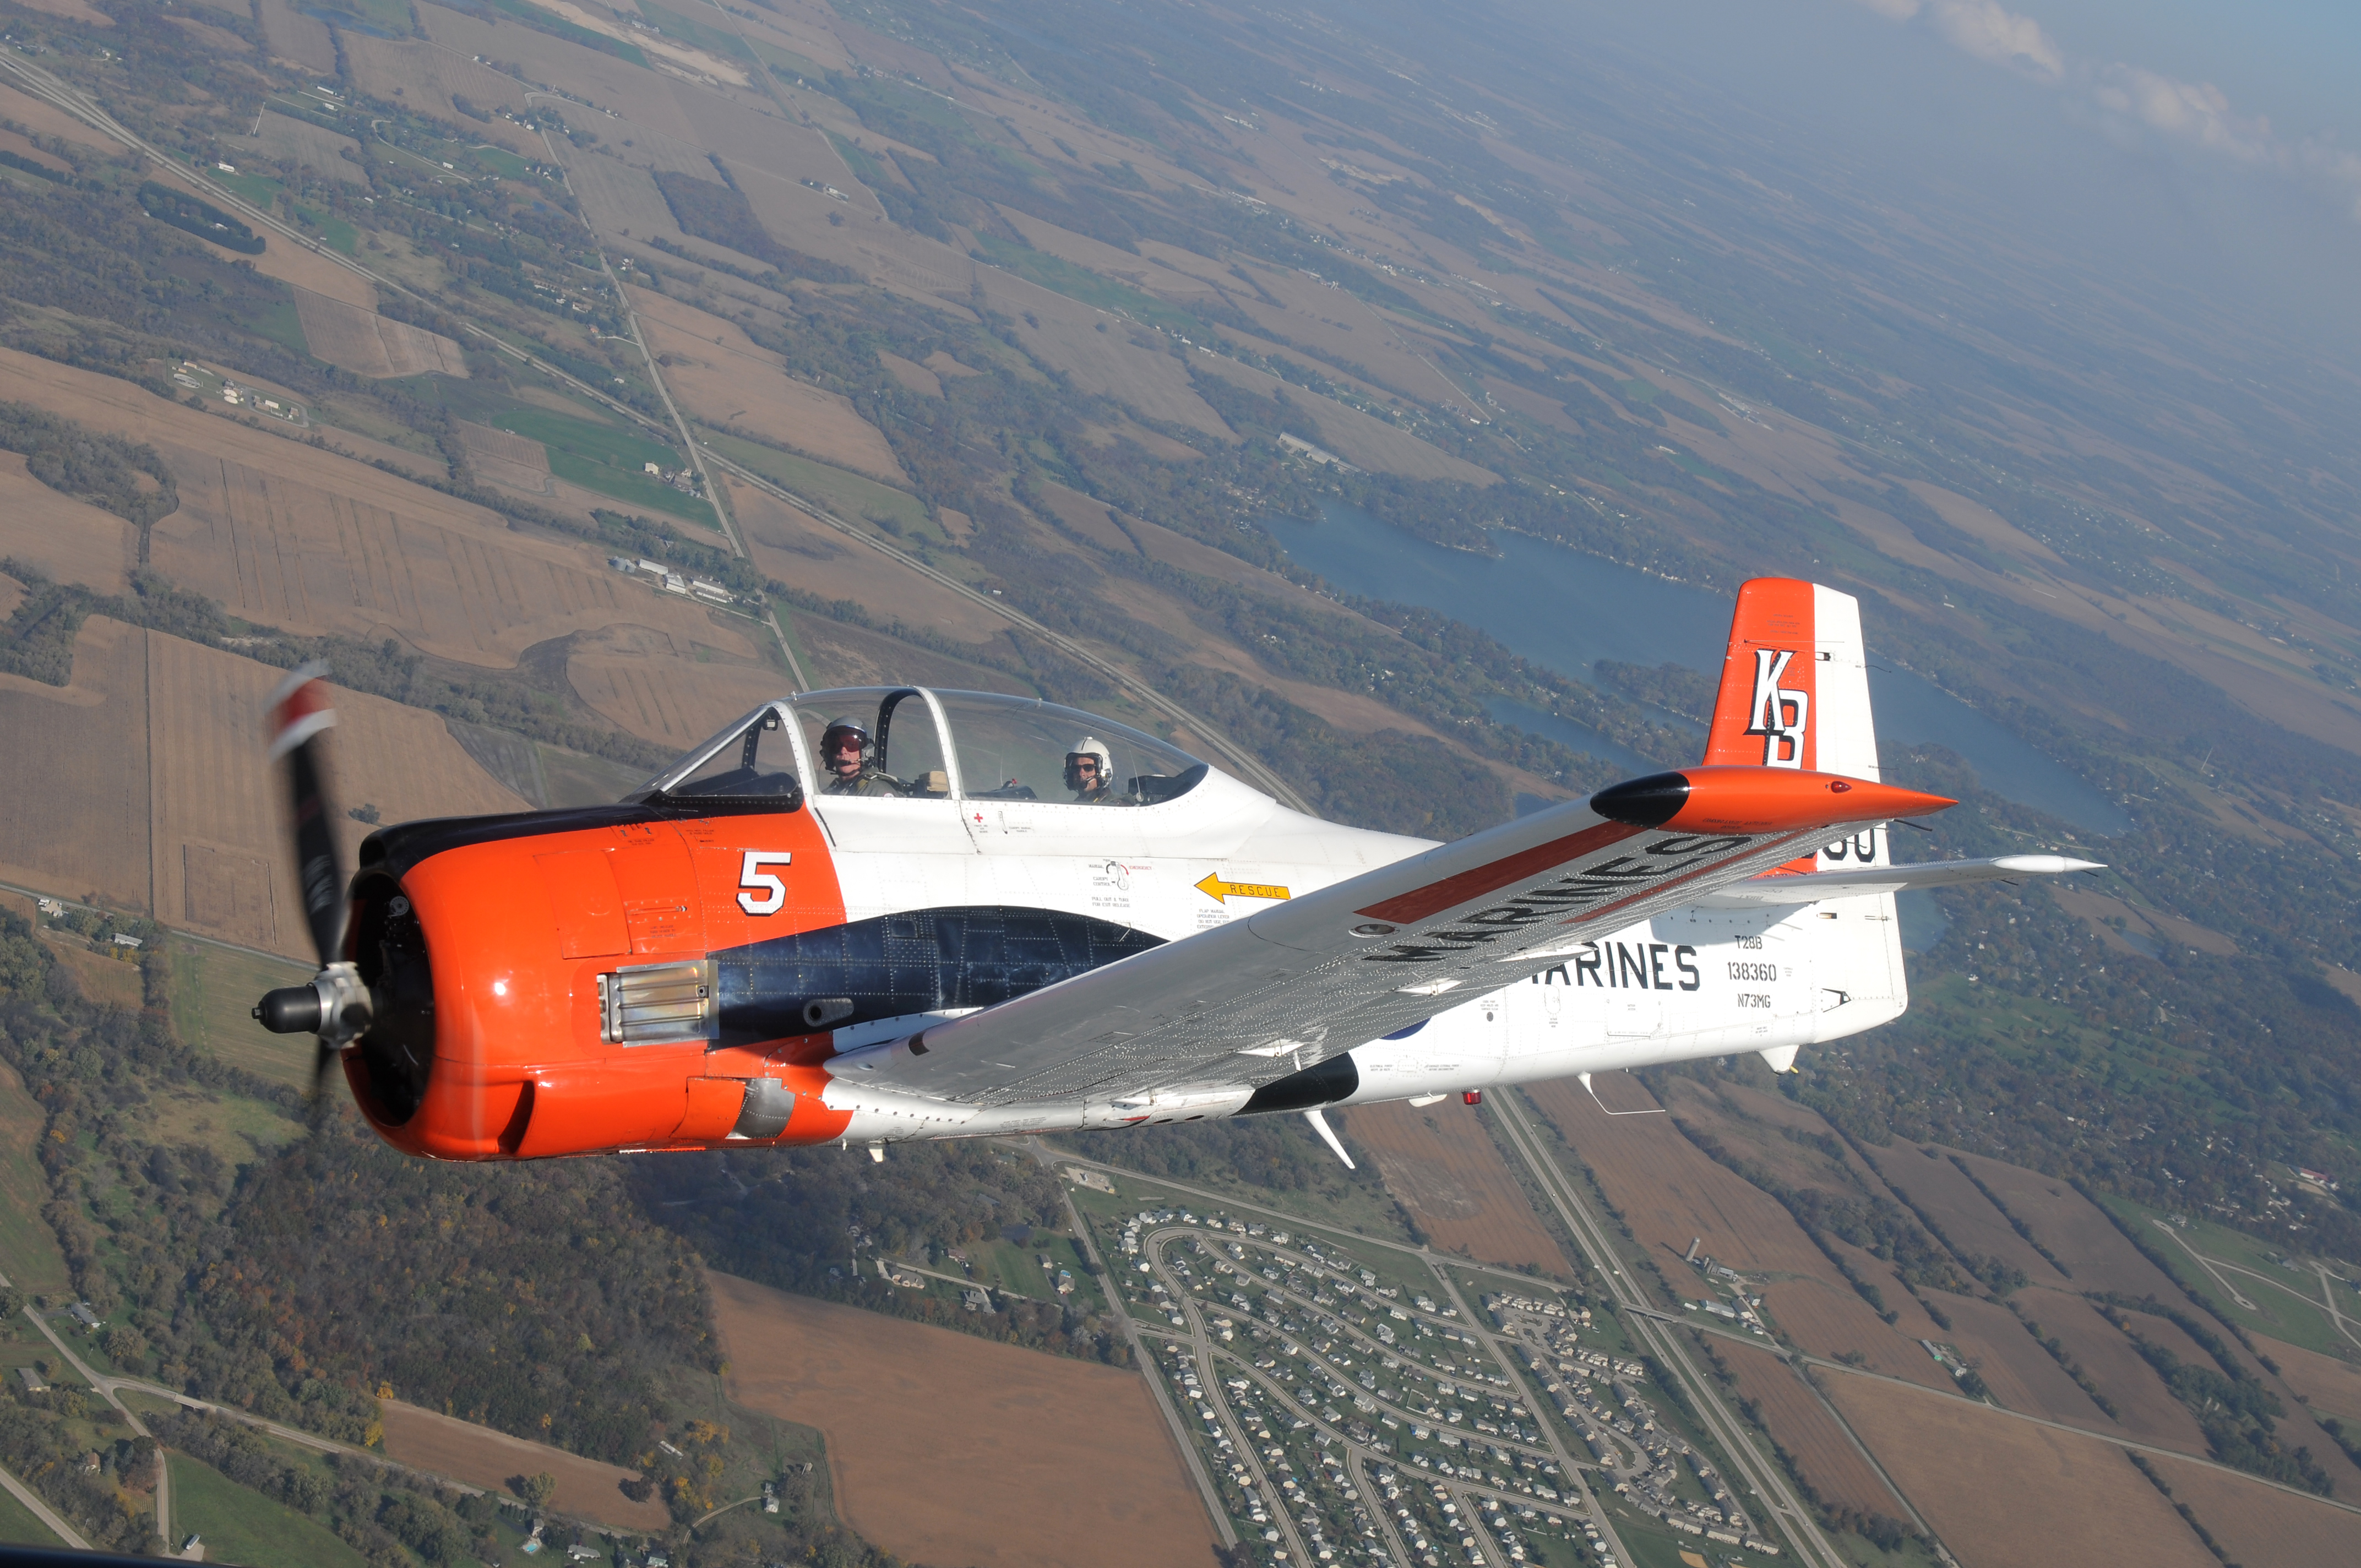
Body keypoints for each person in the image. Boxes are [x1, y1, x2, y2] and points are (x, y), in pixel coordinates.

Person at [819, 715, 903, 796]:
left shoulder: (877, 791)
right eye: (835, 745)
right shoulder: (834, 790)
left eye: (851, 745)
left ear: (865, 752)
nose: (843, 751)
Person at [1064, 737, 1121, 804]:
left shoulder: (1117, 807)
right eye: (1076, 768)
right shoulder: (1076, 805)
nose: (1081, 773)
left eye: (1088, 768)